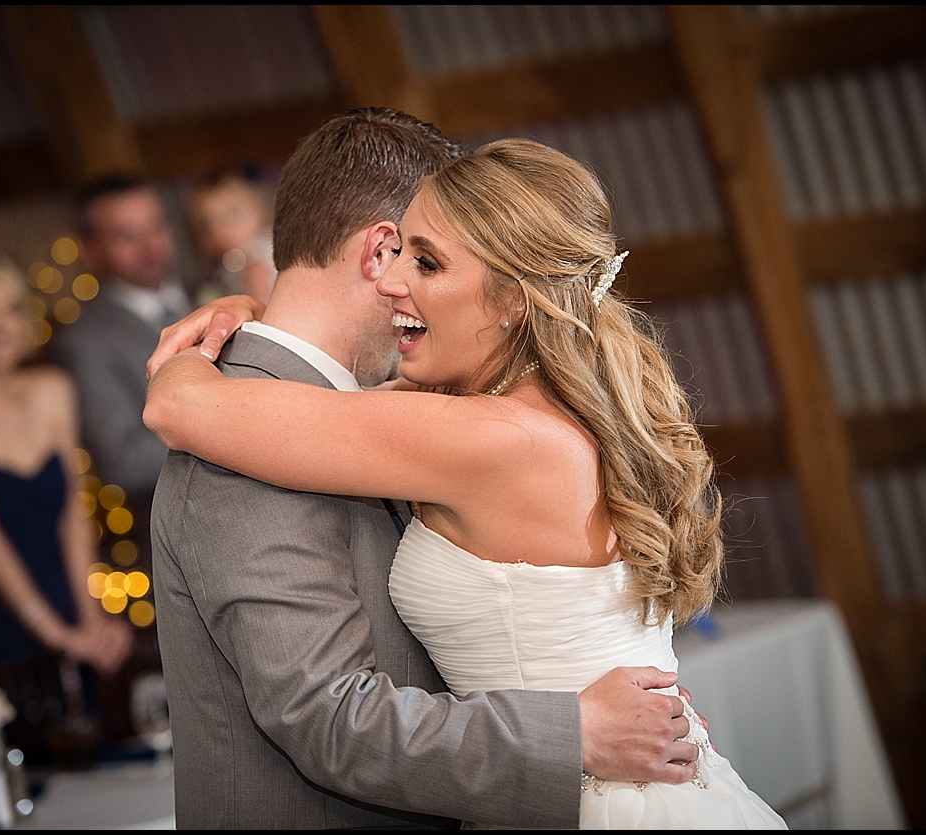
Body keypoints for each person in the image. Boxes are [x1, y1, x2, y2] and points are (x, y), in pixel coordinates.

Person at [144, 136, 788, 829]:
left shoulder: (488, 436)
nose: (395, 281)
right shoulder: (518, 415)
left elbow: (176, 408)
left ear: (513, 298)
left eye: (425, 261)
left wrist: (195, 348)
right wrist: (244, 308)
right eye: (398, 255)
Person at [0, 257, 133, 754]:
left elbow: (73, 515)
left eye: (12, 309)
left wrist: (89, 618)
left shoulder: (54, 390)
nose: (1, 326)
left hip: (67, 607)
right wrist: (56, 634)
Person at [48, 174, 188, 554]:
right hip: (188, 539)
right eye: (127, 235)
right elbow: (123, 461)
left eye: (157, 227)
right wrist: (237, 428)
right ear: (92, 250)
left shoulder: (215, 293)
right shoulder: (85, 341)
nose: (150, 246)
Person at [186, 164, 277, 306]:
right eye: (208, 224)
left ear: (262, 209)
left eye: (232, 215)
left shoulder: (257, 259)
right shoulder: (233, 263)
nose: (221, 231)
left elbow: (260, 312)